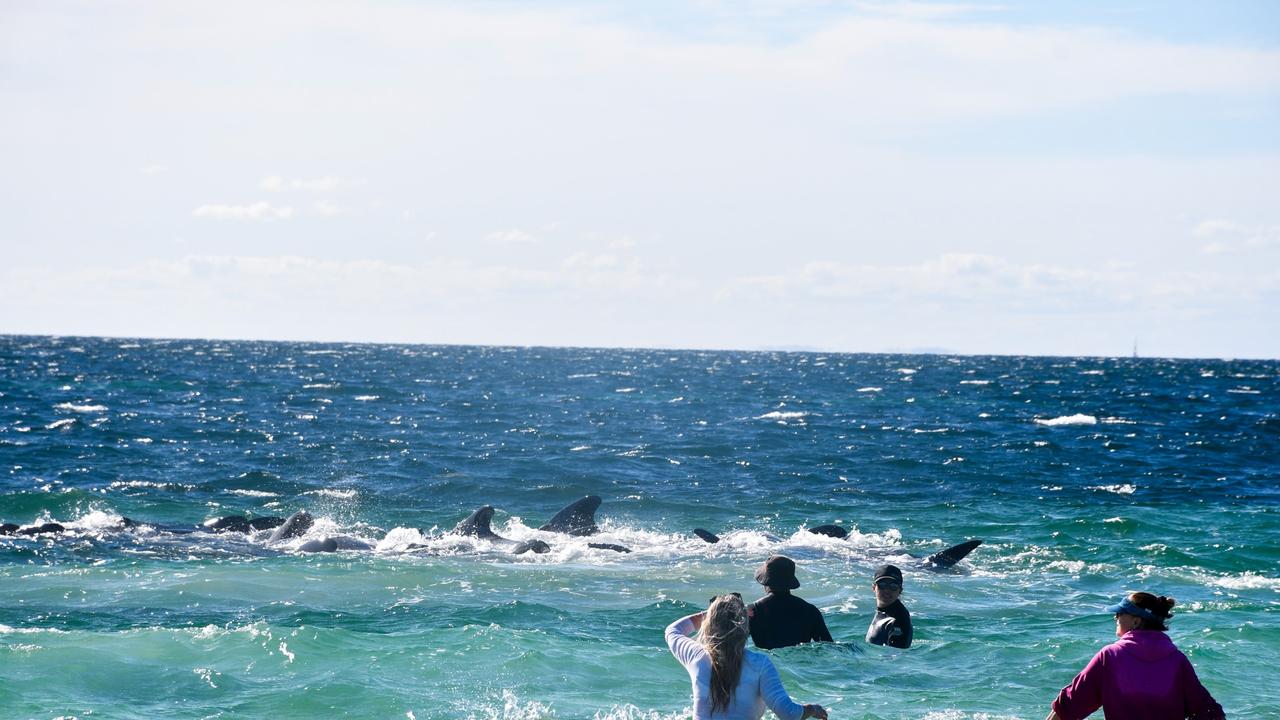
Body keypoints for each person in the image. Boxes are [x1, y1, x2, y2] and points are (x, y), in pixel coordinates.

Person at [1046, 592, 1225, 720]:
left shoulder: (1110, 656)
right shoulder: (1177, 659)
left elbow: (1072, 702)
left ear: (1136, 621)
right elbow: (1208, 711)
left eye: (1120, 613)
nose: (1115, 617)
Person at [666, 594, 829, 720]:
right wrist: (812, 709)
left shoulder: (697, 656)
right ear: (745, 627)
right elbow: (788, 714)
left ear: (709, 625)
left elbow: (672, 630)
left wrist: (711, 614)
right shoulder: (760, 664)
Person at [746, 555, 833, 650]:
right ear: (790, 581)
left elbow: (733, 644)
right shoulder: (810, 610)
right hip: (800, 662)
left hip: (767, 662)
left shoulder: (752, 610)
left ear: (765, 580)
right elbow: (828, 647)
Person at [865, 564, 912, 648]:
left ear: (900, 590)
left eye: (893, 586)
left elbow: (894, 657)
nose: (887, 590)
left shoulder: (897, 620)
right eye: (882, 585)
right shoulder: (884, 612)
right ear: (874, 587)